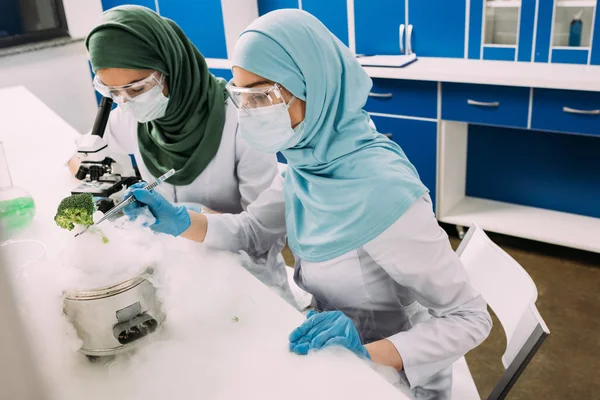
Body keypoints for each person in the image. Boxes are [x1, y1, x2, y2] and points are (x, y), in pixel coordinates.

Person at [126, 9, 492, 398]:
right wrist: (180, 221)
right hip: (330, 355)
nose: (248, 112)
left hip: (392, 379)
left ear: (311, 86)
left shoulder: (383, 192)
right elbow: (253, 229)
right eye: (241, 96)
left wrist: (366, 352)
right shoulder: (307, 162)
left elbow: (469, 319)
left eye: (261, 96)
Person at [68, 5, 295, 307]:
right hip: (179, 278)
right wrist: (95, 176)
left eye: (136, 88)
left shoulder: (240, 119)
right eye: (113, 92)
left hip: (246, 281)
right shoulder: (133, 116)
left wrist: (191, 217)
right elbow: (81, 156)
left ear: (171, 68)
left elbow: (263, 234)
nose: (125, 101)